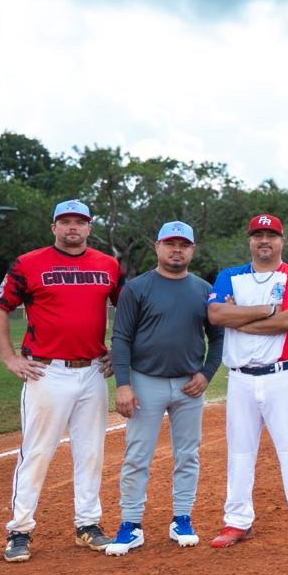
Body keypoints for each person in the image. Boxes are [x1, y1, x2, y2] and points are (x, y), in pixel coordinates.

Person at [0, 198, 123, 562]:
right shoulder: (29, 263)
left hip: (93, 370)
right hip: (45, 370)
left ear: (89, 227)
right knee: (37, 452)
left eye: (79, 221)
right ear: (54, 228)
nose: (72, 228)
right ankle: (19, 530)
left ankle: (88, 524)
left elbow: (129, 311)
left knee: (91, 451)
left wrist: (119, 351)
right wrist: (9, 358)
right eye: (65, 222)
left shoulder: (108, 265)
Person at [104, 221, 224, 556]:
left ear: (192, 249)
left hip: (189, 384)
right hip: (145, 381)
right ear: (157, 246)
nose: (176, 250)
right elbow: (122, 338)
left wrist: (207, 374)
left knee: (188, 454)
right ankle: (131, 524)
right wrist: (123, 385)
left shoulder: (204, 289)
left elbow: (217, 339)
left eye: (183, 244)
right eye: (170, 244)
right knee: (137, 456)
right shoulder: (138, 288)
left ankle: (182, 518)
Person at [206, 214, 288, 550]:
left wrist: (240, 318)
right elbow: (216, 316)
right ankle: (237, 520)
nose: (264, 241)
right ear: (250, 241)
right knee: (240, 452)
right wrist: (267, 309)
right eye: (258, 235)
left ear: (281, 241)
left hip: (281, 375)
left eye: (271, 235)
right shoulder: (231, 276)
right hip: (241, 378)